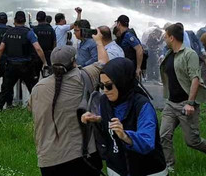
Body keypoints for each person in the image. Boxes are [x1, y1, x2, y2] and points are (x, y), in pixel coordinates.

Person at [29, 29, 108, 176]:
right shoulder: (84, 76)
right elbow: (104, 62)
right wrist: (98, 41)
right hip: (81, 156)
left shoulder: (38, 88)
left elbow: (32, 110)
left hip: (48, 159)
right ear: (74, 61)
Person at [82, 58, 167, 176]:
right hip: (117, 168)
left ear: (122, 82)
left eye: (109, 86)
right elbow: (109, 124)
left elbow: (148, 141)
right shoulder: (104, 101)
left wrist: (125, 136)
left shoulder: (142, 105)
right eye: (101, 86)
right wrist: (97, 119)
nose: (105, 91)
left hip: (147, 170)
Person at [159, 23, 206, 173]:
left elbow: (195, 78)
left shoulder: (189, 54)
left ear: (172, 38)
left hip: (186, 104)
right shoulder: (169, 54)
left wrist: (190, 103)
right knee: (164, 136)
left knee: (193, 141)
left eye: (166, 37)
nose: (164, 40)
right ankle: (169, 166)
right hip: (171, 104)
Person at [0, 11, 48, 110]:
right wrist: (44, 62)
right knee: (33, 88)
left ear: (14, 20)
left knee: (5, 88)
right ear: (24, 21)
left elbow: (1, 49)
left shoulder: (8, 32)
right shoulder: (29, 32)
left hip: (11, 65)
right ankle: (38, 109)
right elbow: (38, 48)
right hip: (26, 65)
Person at [32, 11, 56, 83]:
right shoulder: (51, 29)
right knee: (48, 78)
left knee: (35, 78)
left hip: (36, 56)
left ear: (37, 19)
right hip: (48, 56)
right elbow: (54, 43)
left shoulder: (33, 29)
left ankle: (36, 92)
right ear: (45, 18)